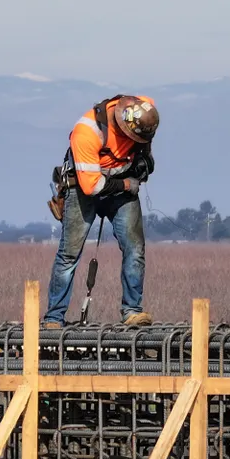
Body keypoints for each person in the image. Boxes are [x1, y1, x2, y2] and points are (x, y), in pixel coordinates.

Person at [43, 94, 159, 328]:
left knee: (135, 249)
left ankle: (132, 312)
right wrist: (127, 184)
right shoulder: (87, 131)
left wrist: (143, 164)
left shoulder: (144, 111)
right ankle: (54, 318)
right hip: (84, 188)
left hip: (121, 185)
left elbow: (146, 153)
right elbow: (92, 186)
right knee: (69, 254)